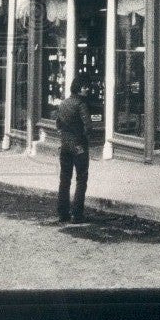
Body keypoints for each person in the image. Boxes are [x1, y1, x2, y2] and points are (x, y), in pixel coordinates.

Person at [55, 76, 92, 223]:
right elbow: (88, 126)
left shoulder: (63, 103)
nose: (87, 89)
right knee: (81, 179)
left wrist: (65, 135)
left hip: (65, 146)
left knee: (64, 179)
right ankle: (77, 214)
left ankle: (63, 213)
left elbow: (57, 124)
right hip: (79, 146)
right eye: (84, 86)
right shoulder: (81, 104)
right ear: (78, 88)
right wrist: (83, 137)